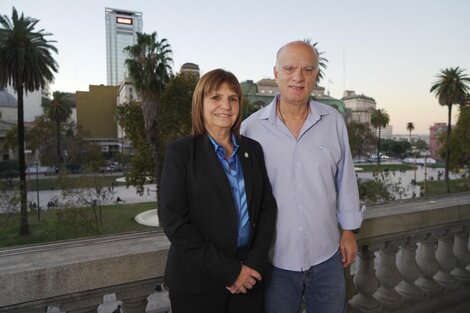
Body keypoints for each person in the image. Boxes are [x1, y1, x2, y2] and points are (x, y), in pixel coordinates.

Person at [241, 41, 364, 313]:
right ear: (276, 73)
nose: (298, 77)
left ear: (316, 75)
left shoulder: (333, 121)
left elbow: (345, 180)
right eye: (289, 68)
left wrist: (349, 230)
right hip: (274, 261)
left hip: (327, 256)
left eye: (308, 70)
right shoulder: (250, 129)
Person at [160, 69, 277, 313]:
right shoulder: (180, 153)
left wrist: (253, 265)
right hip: (197, 285)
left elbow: (267, 207)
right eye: (216, 97)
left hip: (249, 281)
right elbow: (175, 224)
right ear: (199, 103)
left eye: (233, 98)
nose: (225, 105)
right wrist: (232, 272)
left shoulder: (252, 150)